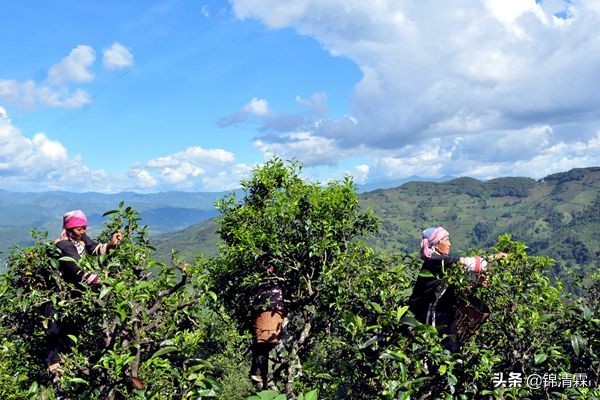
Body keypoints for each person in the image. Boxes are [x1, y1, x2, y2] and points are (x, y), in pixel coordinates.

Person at [45, 209, 122, 380]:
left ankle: (69, 355)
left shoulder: (79, 238)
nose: (83, 231)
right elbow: (78, 269)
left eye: (84, 228)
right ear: (70, 228)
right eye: (80, 229)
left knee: (70, 324)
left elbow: (94, 249)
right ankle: (53, 363)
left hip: (72, 290)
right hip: (58, 290)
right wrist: (104, 282)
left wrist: (111, 244)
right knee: (54, 326)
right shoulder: (64, 245)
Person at [408, 226, 501, 352]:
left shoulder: (440, 262)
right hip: (431, 316)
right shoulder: (436, 261)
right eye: (446, 240)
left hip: (443, 314)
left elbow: (455, 283)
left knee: (452, 349)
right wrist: (495, 258)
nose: (449, 244)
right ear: (436, 245)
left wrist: (476, 282)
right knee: (436, 351)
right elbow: (472, 264)